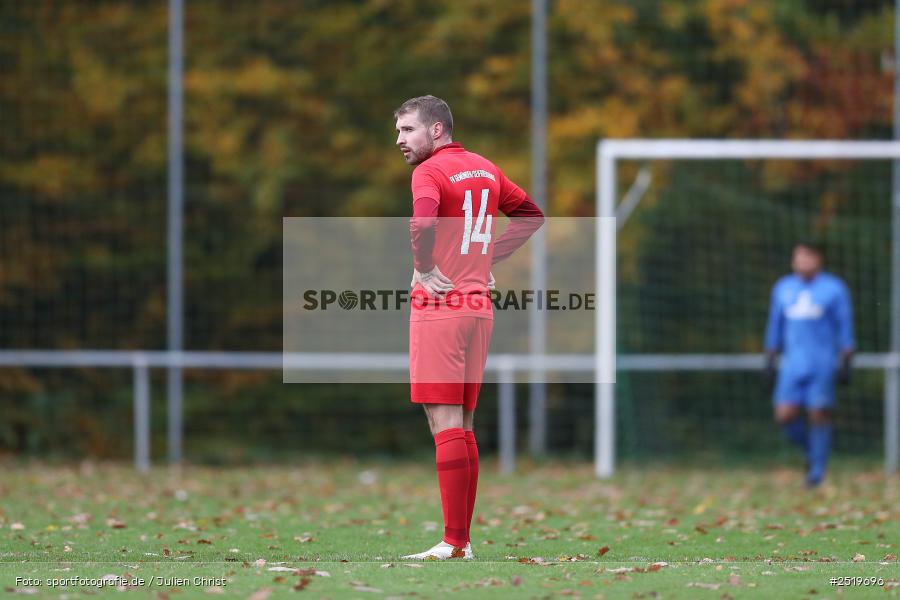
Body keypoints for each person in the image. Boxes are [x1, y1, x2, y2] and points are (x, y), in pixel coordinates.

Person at [394, 95, 544, 559]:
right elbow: (531, 216)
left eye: (408, 129)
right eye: (398, 131)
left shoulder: (429, 171)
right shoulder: (485, 168)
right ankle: (460, 542)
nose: (399, 140)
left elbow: (422, 223)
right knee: (462, 425)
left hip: (440, 307)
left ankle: (454, 542)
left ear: (437, 129)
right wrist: (487, 259)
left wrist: (424, 267)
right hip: (478, 309)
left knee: (444, 423)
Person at [763, 241, 854, 487]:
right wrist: (770, 356)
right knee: (784, 415)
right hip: (792, 364)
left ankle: (816, 473)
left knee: (818, 414)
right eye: (797, 257)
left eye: (806, 257)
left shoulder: (834, 288)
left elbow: (844, 324)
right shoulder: (783, 288)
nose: (801, 262)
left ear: (818, 259)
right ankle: (813, 454)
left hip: (822, 362)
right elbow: (775, 324)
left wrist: (847, 356)